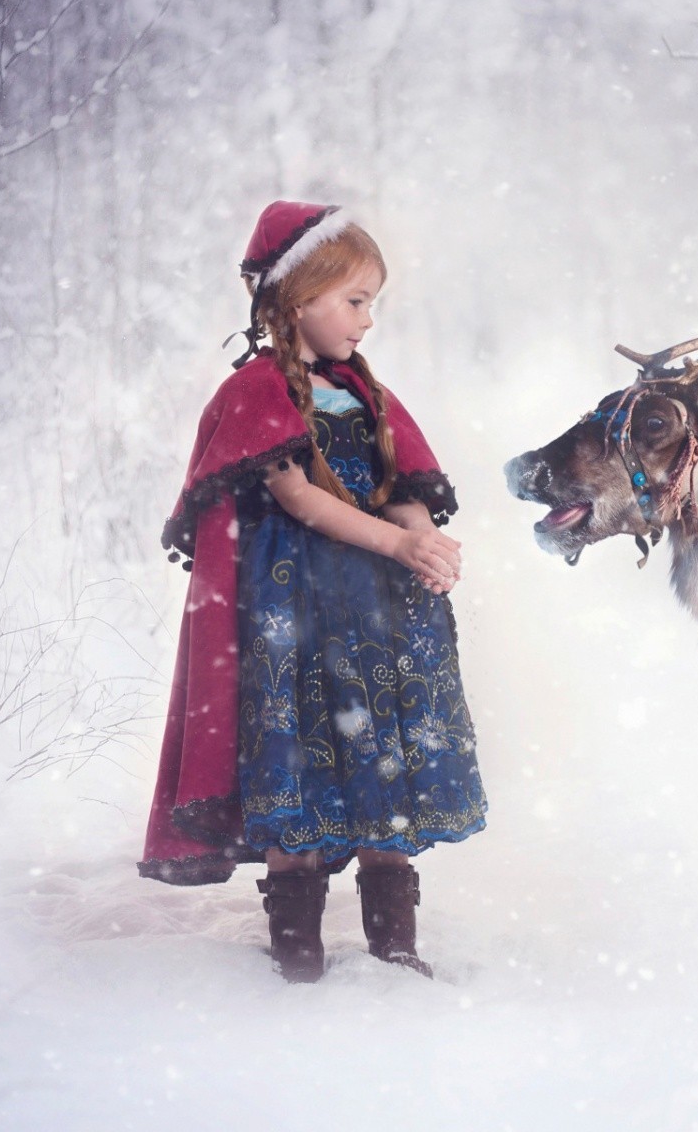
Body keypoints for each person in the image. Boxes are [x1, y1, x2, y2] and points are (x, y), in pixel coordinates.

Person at [139, 200, 487, 982]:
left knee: (380, 755)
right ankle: (298, 946)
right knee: (294, 754)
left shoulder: (363, 392)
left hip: (375, 617)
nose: (368, 321)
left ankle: (394, 944)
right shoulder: (260, 391)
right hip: (291, 616)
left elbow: (404, 480)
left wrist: (421, 537)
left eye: (374, 303)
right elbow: (299, 499)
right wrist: (397, 540)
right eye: (356, 301)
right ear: (298, 298)